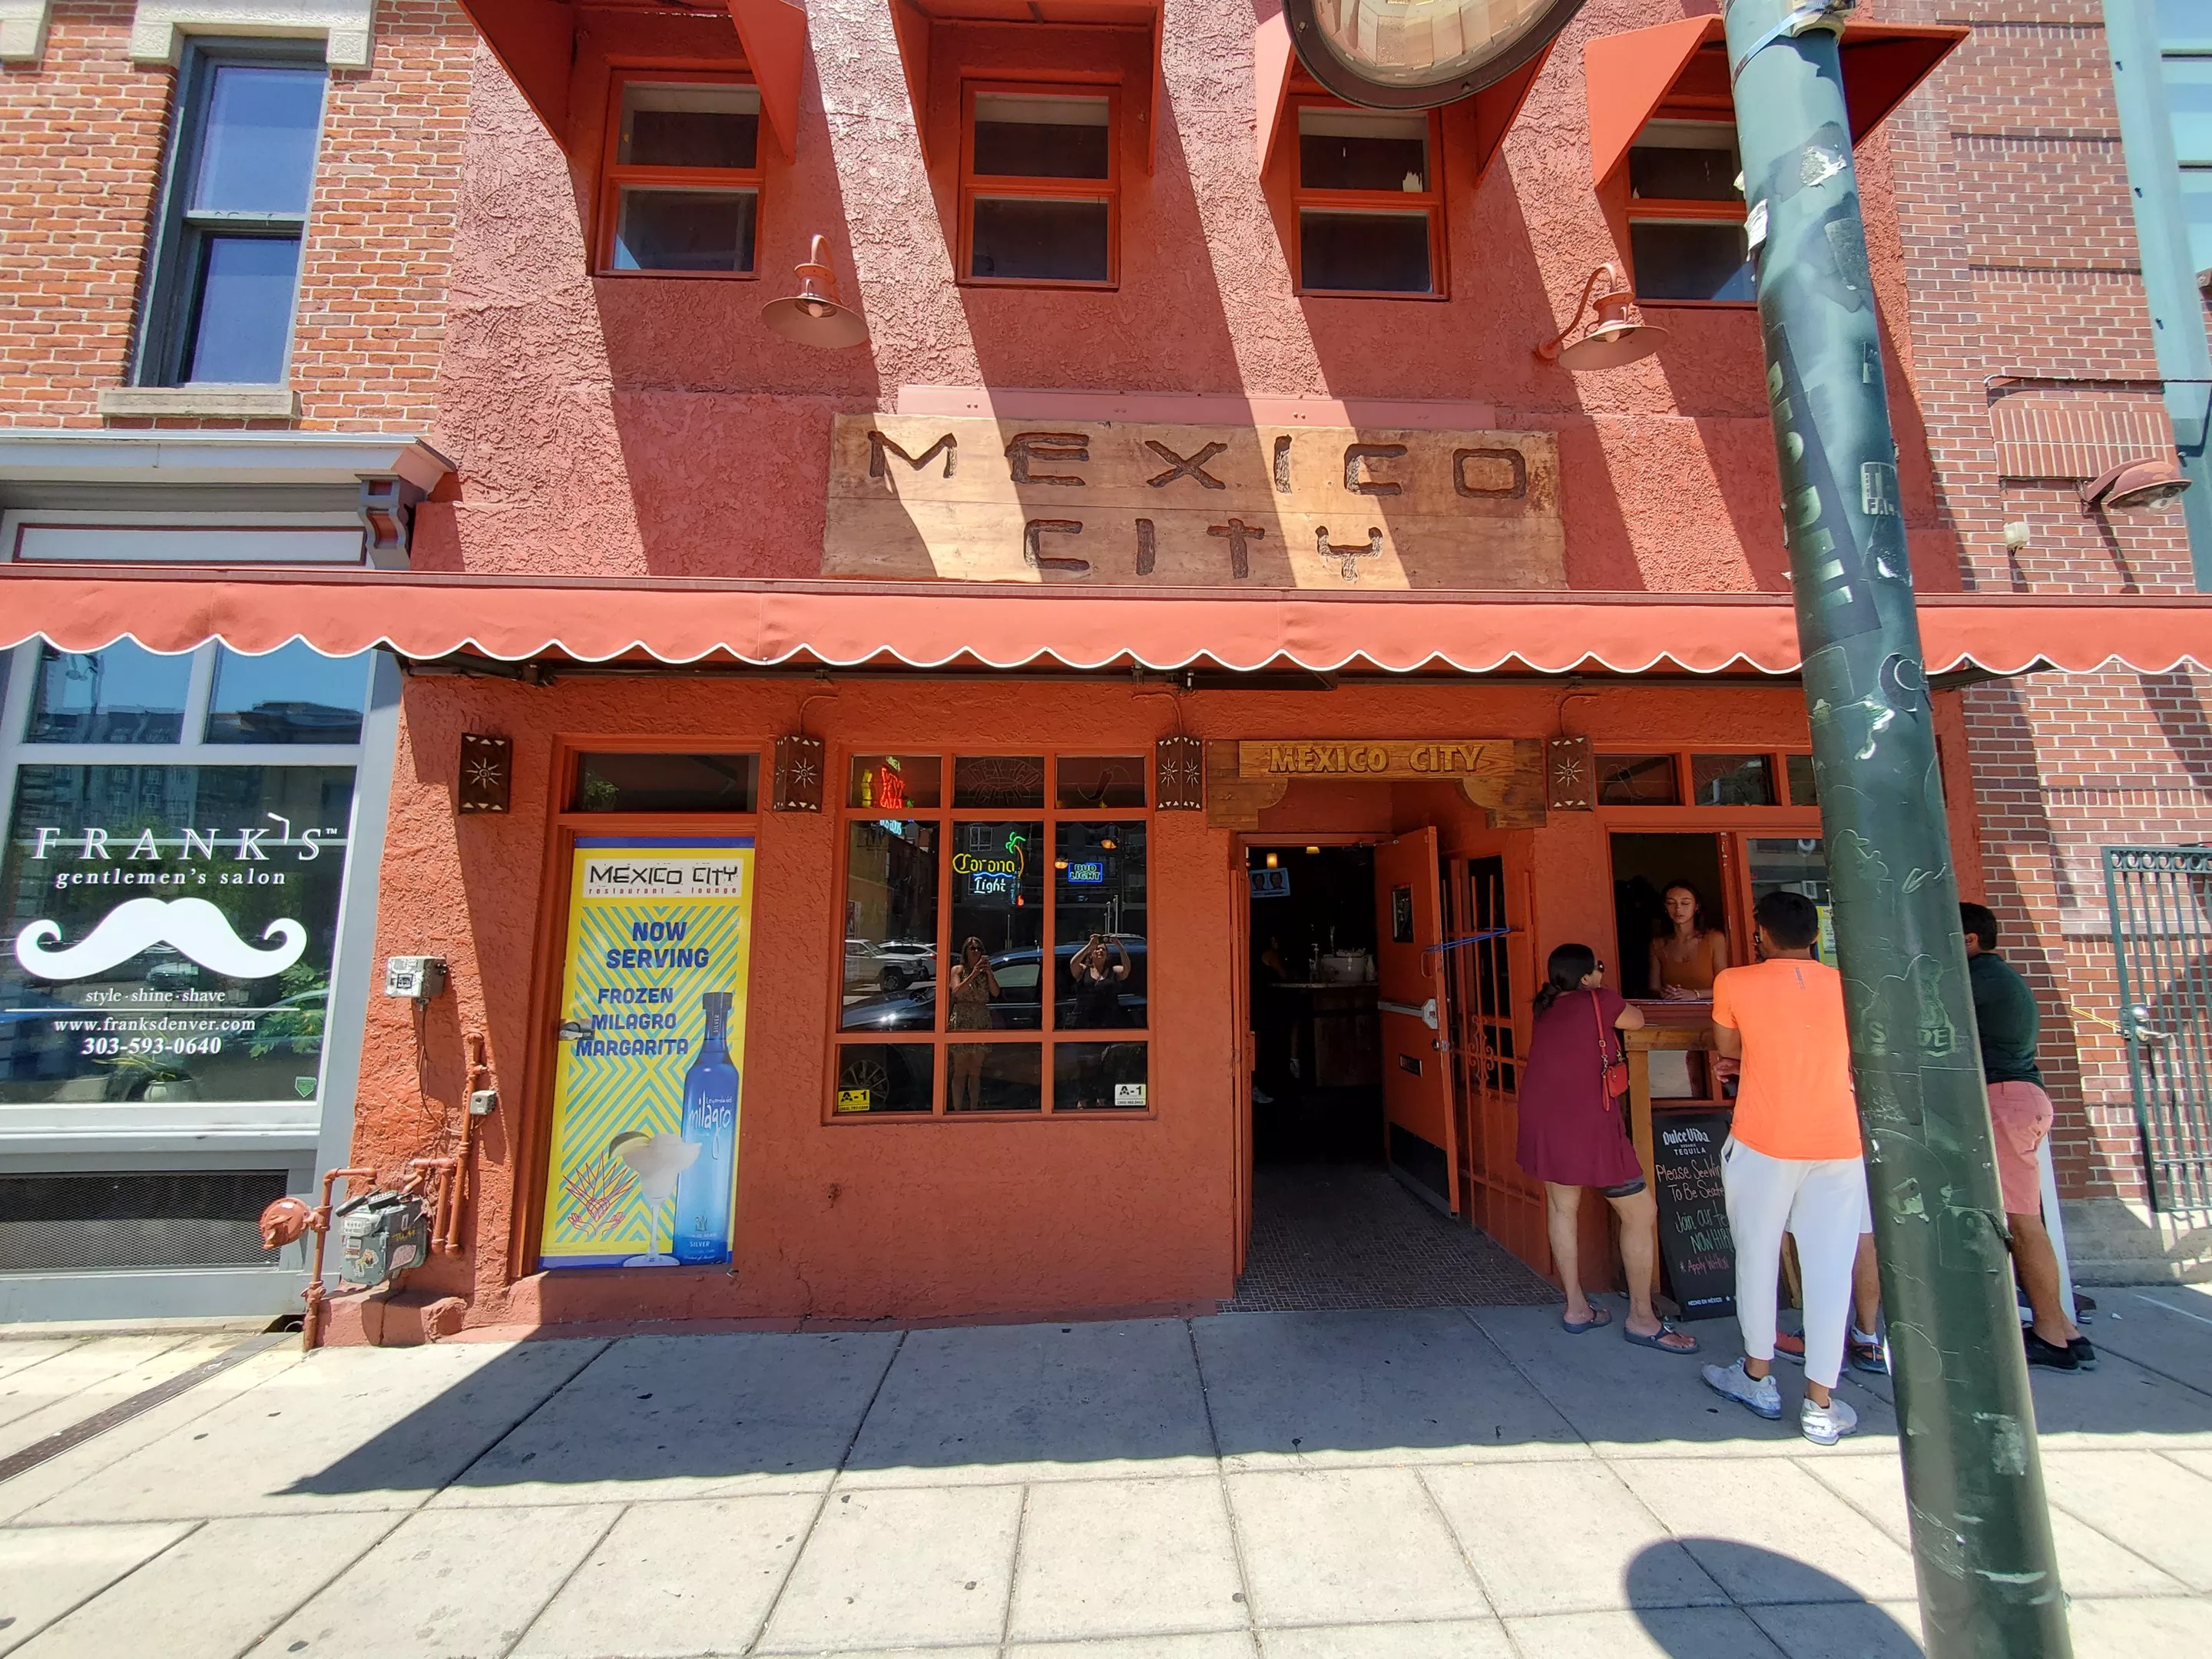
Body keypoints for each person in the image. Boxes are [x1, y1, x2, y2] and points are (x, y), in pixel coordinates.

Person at [1702, 891, 1869, 1445]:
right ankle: (1821, 1402)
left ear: (1761, 935)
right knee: (1829, 1268)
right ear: (1815, 936)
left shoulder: (1734, 981)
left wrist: (1748, 1057)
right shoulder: (1850, 984)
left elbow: (1727, 1043)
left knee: (1756, 1255)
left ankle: (1757, 1376)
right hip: (1839, 1140)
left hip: (1764, 1137)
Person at [1516, 943, 1699, 1354]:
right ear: (1586, 977)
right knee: (1640, 1212)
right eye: (1598, 967)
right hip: (1592, 1122)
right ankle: (1641, 1317)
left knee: (1563, 1209)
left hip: (1545, 1118)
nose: (1602, 972)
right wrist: (1603, 988)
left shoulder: (1545, 1007)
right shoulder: (1601, 999)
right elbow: (1637, 1020)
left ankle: (1576, 1307)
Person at [1962, 901, 2095, 1372]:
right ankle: (2064, 1328)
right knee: (2026, 1217)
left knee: (2022, 1222)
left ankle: (2049, 1334)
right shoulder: (2002, 978)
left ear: (1969, 940)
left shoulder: (1976, 980)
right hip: (2022, 1098)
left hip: (2003, 1101)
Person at [1069, 935, 1132, 1108]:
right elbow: (1073, 964)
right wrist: (1089, 945)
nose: (1099, 951)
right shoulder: (1083, 971)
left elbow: (1127, 969)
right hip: (1085, 1024)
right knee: (1084, 1064)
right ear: (1091, 954)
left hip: (1108, 1023)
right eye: (1097, 949)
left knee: (1106, 1064)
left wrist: (1119, 945)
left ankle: (1101, 1098)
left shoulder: (1113, 972)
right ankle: (1083, 1098)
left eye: (1103, 950)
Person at [1650, 880, 1730, 1001]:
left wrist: (1695, 994)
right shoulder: (1657, 945)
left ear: (1696, 906)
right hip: (1671, 1012)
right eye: (1671, 903)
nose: (1678, 909)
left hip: (1708, 1011)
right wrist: (1666, 993)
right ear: (1665, 907)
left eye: (1685, 903)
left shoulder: (1714, 939)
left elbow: (1725, 988)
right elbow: (1654, 989)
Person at [947, 937, 998, 1111]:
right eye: (972, 948)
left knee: (976, 1071)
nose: (976, 952)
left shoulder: (985, 972)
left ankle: (974, 1108)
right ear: (966, 951)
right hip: (962, 1018)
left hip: (980, 1018)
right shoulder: (958, 970)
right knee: (960, 1070)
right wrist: (974, 973)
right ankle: (957, 1110)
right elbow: (956, 992)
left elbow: (996, 992)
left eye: (978, 948)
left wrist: (988, 972)